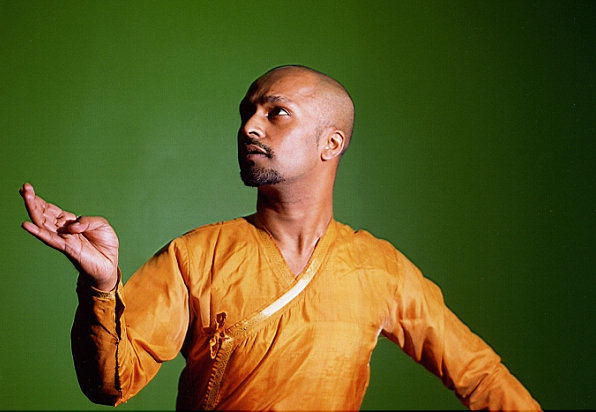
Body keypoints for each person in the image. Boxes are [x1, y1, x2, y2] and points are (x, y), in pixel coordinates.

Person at [20, 65, 541, 411]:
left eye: (276, 112)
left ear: (330, 142)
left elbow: (478, 375)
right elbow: (110, 382)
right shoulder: (196, 255)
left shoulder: (380, 269)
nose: (249, 126)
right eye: (247, 112)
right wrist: (100, 287)